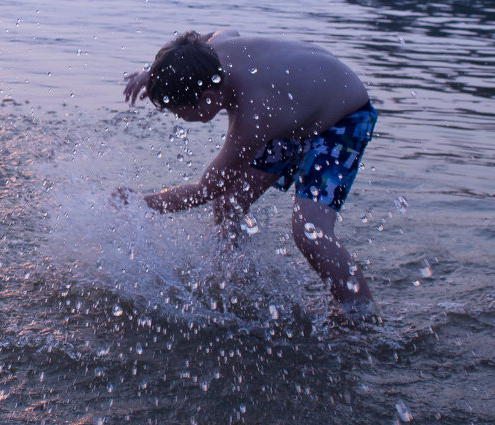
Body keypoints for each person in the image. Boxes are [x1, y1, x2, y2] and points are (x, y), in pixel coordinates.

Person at [117, 30, 377, 309]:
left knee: (309, 230)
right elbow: (190, 44)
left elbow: (206, 188)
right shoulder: (213, 51)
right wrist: (154, 72)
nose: (176, 116)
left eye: (179, 110)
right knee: (229, 203)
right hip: (294, 108)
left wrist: (142, 203)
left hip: (342, 117)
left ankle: (359, 313)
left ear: (206, 98)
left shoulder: (253, 118)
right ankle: (233, 279)